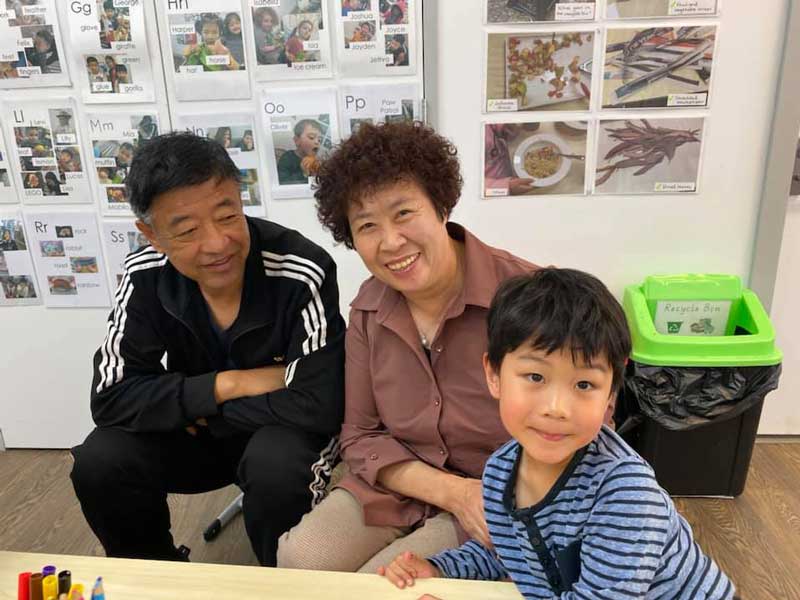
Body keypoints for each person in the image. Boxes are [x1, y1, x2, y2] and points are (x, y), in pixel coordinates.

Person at [69, 132, 346, 567]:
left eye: (227, 215)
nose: (217, 243)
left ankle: (283, 587)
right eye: (188, 230)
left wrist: (206, 410)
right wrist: (230, 384)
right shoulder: (145, 274)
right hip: (197, 434)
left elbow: (323, 402)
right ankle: (155, 576)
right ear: (152, 234)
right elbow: (110, 396)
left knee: (277, 468)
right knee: (100, 460)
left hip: (277, 434)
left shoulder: (299, 268)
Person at [379, 268, 736, 599]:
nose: (556, 408)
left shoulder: (624, 491)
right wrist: (440, 568)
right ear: (493, 374)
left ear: (611, 391)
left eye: (584, 384)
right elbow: (510, 554)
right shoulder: (501, 472)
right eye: (535, 377)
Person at [276, 121, 537, 573]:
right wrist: (451, 492)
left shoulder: (527, 295)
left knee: (386, 584)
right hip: (399, 481)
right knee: (301, 556)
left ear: (440, 205)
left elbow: (582, 423)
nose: (391, 242)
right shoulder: (368, 310)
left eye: (403, 214)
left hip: (500, 494)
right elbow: (359, 435)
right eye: (367, 226)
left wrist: (496, 496)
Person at [485, 124, 536, 196]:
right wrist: (506, 188)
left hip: (510, 165)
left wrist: (513, 126)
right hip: (496, 191)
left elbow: (495, 127)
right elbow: (473, 189)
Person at [276, 119, 321, 185]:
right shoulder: (287, 158)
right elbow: (282, 182)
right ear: (297, 140)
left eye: (320, 140)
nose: (317, 142)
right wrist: (304, 174)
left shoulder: (317, 161)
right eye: (311, 137)